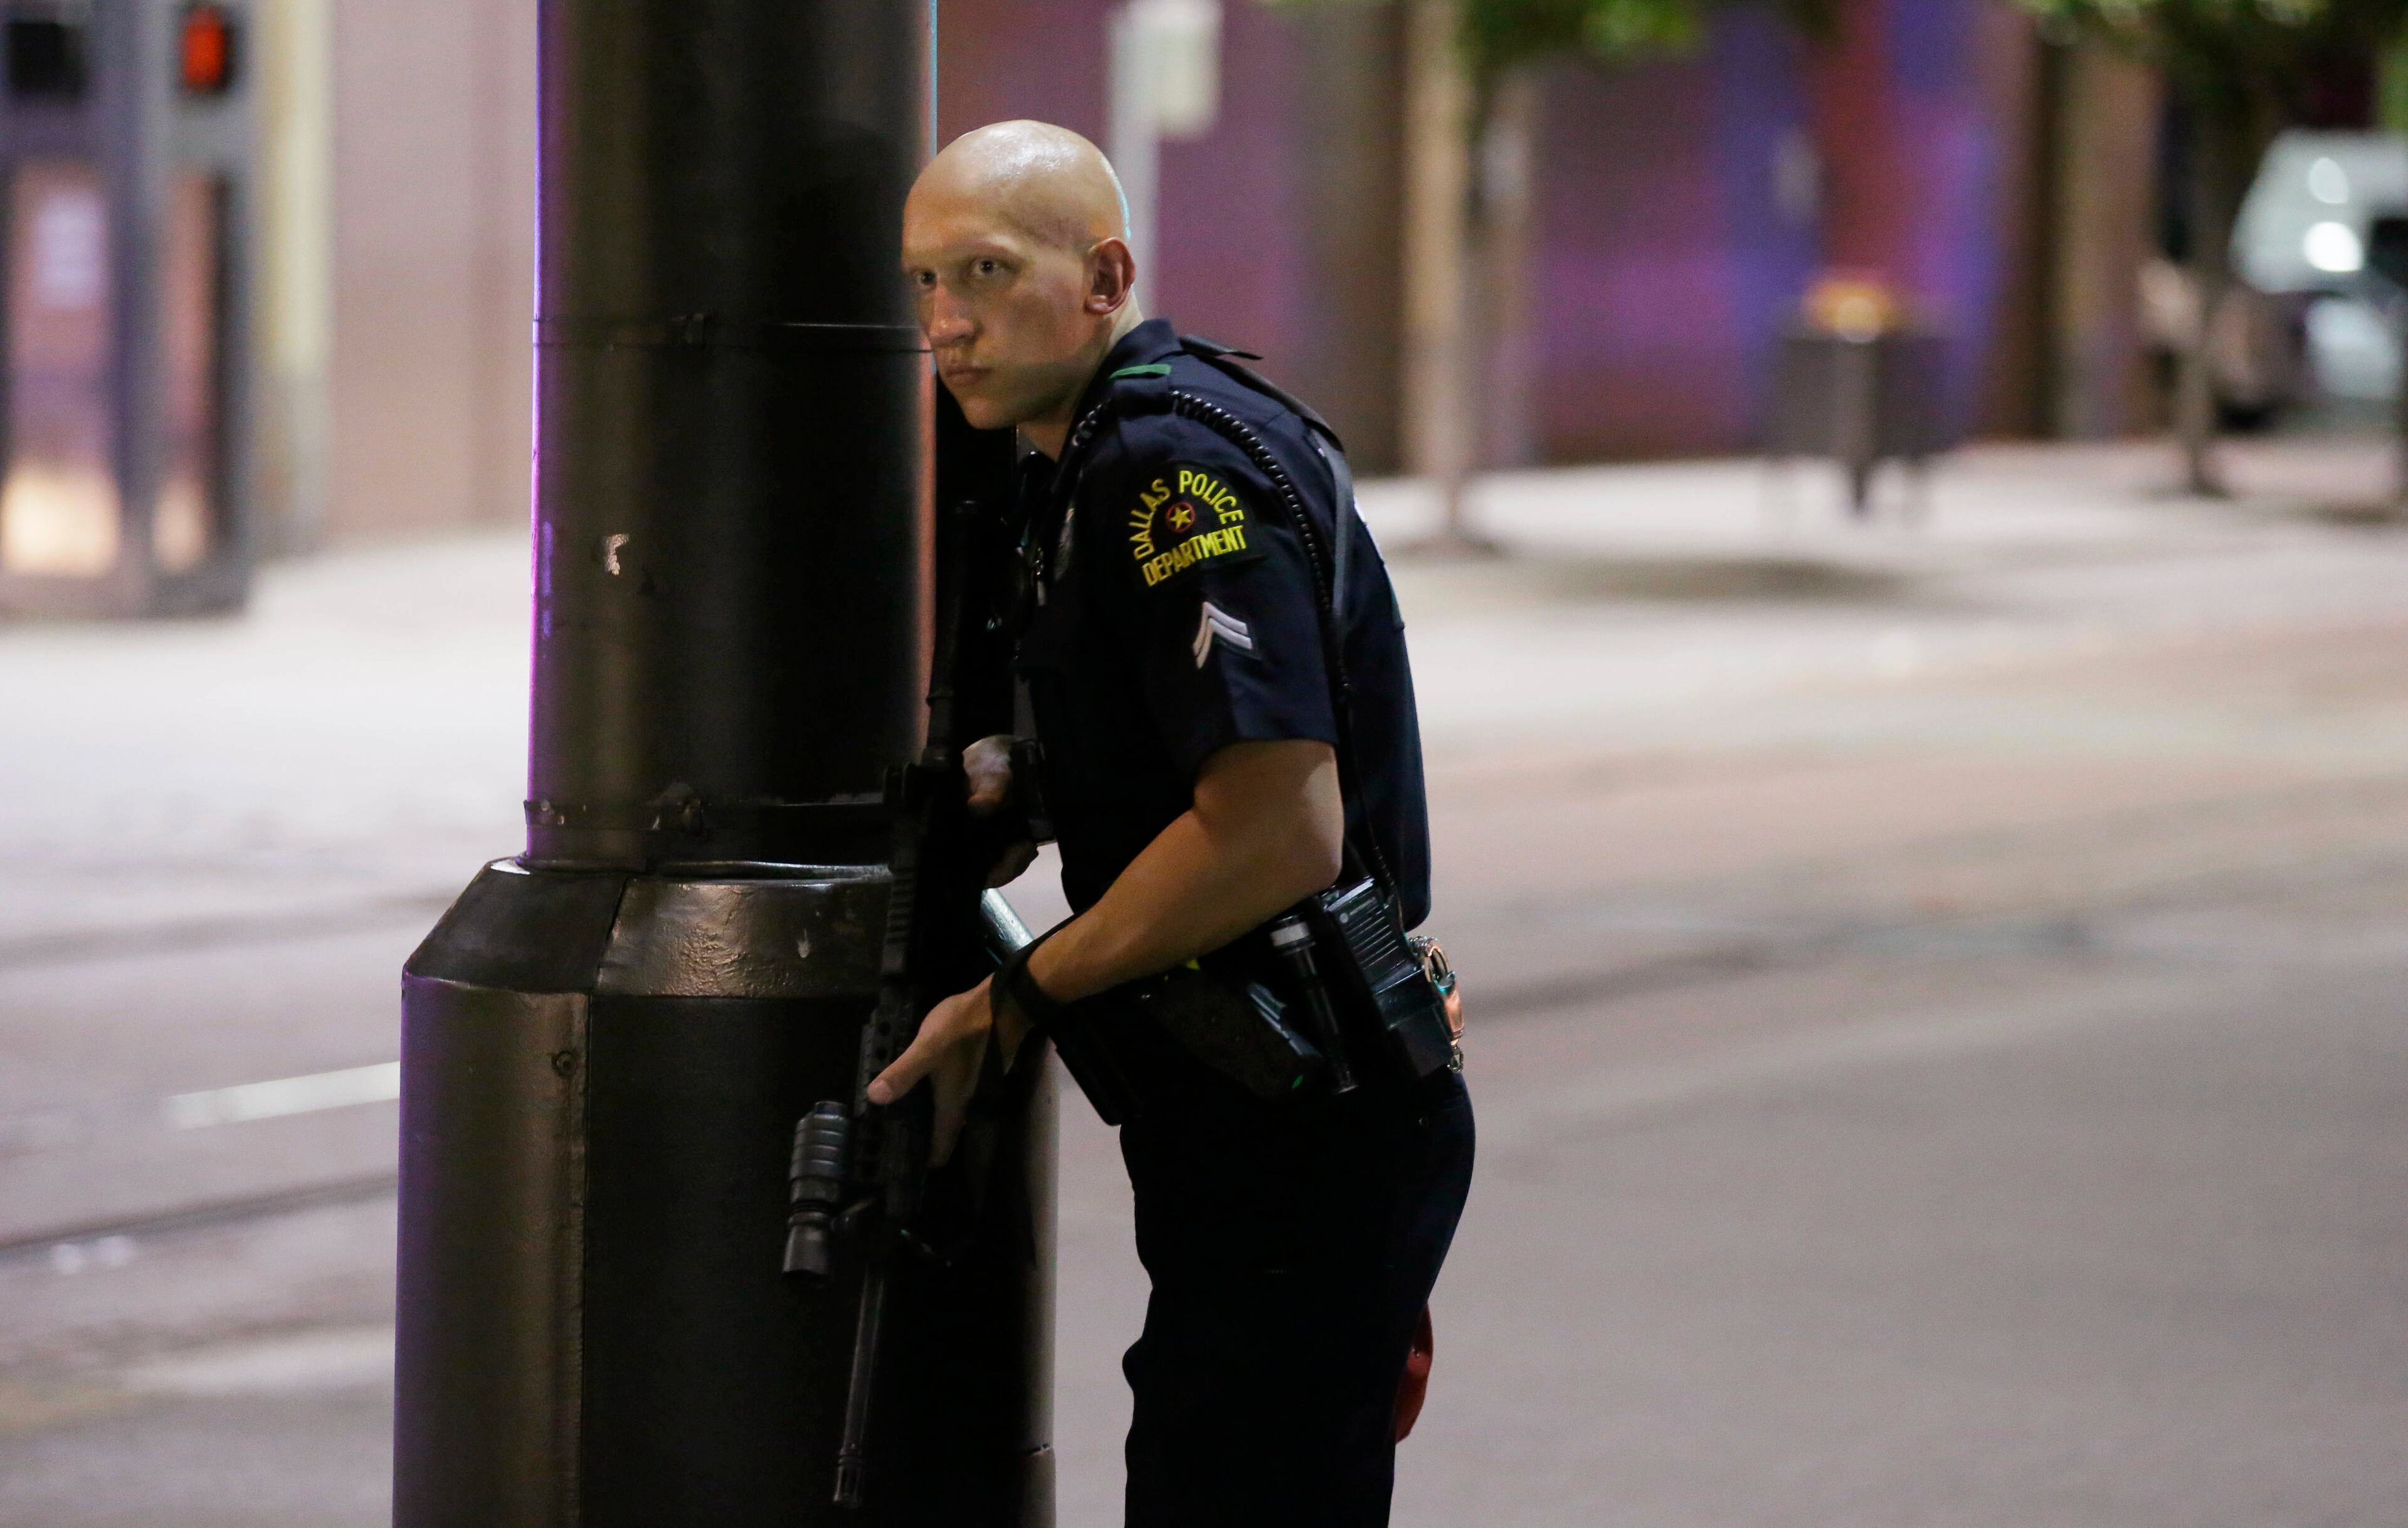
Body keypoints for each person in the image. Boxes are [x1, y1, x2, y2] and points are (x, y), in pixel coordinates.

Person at [870, 119, 1474, 1527]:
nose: (947, 322)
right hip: (1273, 1110)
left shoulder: (1161, 468)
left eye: (986, 272)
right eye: (924, 282)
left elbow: (1280, 831)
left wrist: (1020, 992)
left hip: (1301, 1122)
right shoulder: (1083, 455)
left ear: (1105, 274)